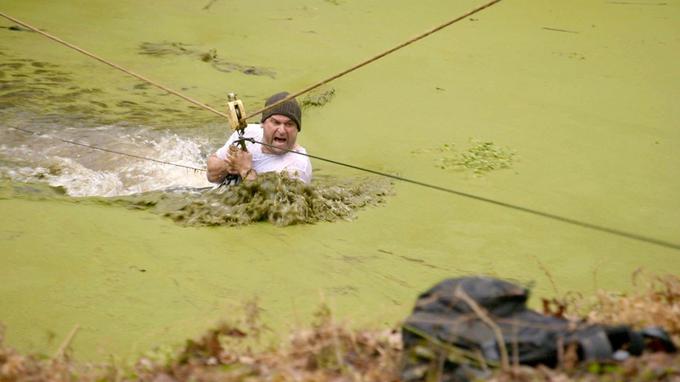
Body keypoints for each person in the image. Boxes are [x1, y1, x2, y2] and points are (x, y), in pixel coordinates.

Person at [207, 92, 312, 184]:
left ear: (297, 129)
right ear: (263, 123)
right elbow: (211, 175)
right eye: (276, 122)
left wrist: (245, 170)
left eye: (289, 124)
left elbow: (277, 204)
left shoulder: (299, 166)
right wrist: (229, 165)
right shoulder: (248, 132)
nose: (282, 130)